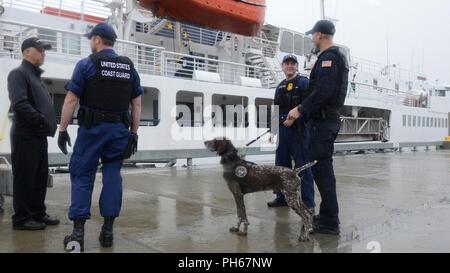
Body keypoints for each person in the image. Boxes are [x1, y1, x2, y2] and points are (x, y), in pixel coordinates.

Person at [58, 23, 142, 251]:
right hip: (118, 131)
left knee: (83, 174)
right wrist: (133, 133)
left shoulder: (87, 64)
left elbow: (71, 100)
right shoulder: (128, 67)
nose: (90, 42)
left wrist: (63, 129)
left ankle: (78, 234)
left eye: (90, 39)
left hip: (92, 131)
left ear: (97, 39)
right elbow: (136, 103)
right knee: (113, 175)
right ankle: (107, 232)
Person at [287, 20, 349, 235]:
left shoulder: (329, 58)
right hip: (322, 122)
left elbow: (324, 92)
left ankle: (330, 223)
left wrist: (300, 110)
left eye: (313, 35)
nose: (311, 38)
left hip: (324, 123)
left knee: (323, 173)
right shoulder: (330, 57)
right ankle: (327, 216)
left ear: (320, 35)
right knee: (323, 172)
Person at [7, 37, 59, 230]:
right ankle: (21, 219)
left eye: (44, 50)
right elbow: (20, 103)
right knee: (25, 177)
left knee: (39, 177)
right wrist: (40, 120)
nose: (43, 53)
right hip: (25, 134)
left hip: (38, 135)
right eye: (40, 50)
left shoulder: (35, 76)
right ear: (26, 52)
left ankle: (37, 213)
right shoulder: (18, 74)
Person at [267, 54, 315, 213]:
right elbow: (275, 110)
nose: (289, 66)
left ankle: (308, 204)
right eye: (286, 64)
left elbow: (308, 106)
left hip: (299, 131)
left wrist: (295, 119)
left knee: (302, 168)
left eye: (292, 64)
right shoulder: (280, 86)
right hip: (282, 131)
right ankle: (282, 198)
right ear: (282, 67)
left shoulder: (303, 83)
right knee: (281, 167)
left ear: (296, 66)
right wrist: (273, 132)